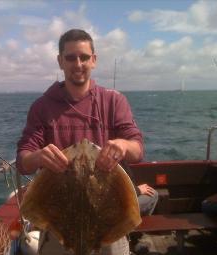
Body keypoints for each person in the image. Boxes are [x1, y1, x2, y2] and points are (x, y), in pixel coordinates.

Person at [16, 28, 150, 255]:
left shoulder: (114, 101)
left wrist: (123, 146)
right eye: (70, 58)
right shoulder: (42, 107)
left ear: (94, 60)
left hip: (109, 220)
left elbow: (137, 151)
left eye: (84, 57)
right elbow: (23, 160)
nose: (78, 64)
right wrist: (39, 156)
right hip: (59, 221)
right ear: (60, 61)